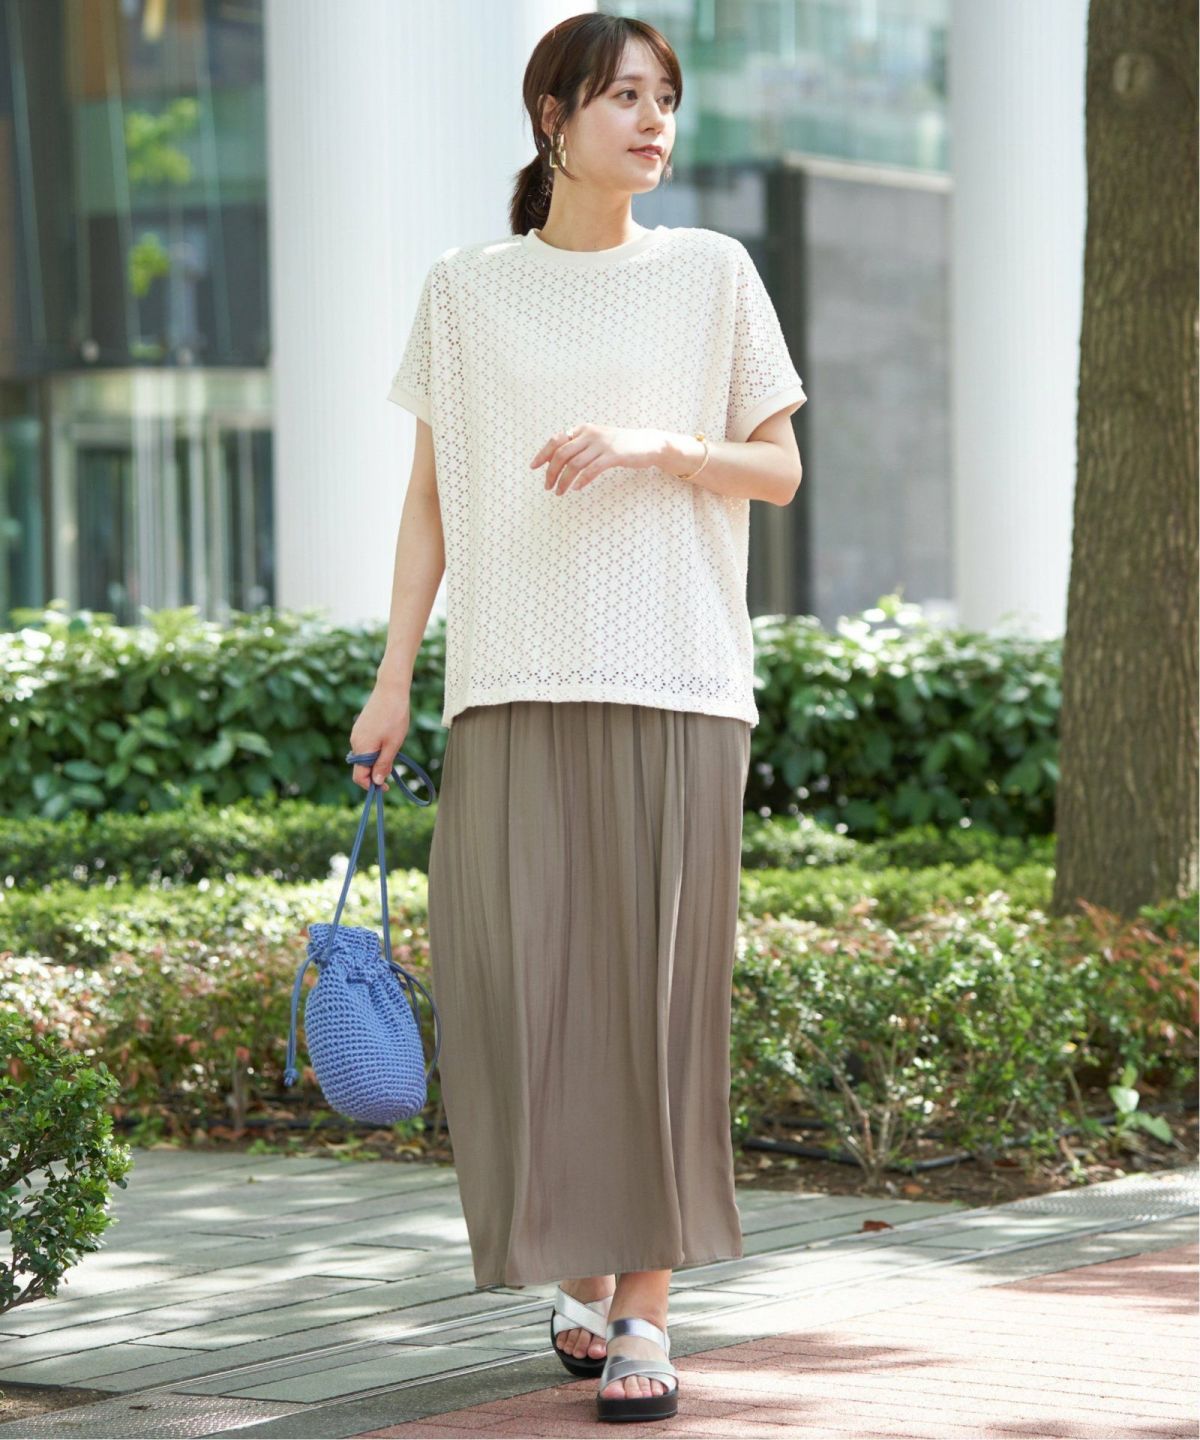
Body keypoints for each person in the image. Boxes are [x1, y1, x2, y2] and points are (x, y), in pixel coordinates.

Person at [349, 12, 806, 1425]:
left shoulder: (712, 274)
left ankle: (646, 1308)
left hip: (677, 677)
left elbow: (779, 471)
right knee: (519, 992)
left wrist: (660, 445)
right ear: (553, 116)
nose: (654, 120)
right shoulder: (465, 290)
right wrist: (393, 676)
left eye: (666, 97)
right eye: (623, 96)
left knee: (655, 999)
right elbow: (431, 502)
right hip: (506, 681)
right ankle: (579, 1260)